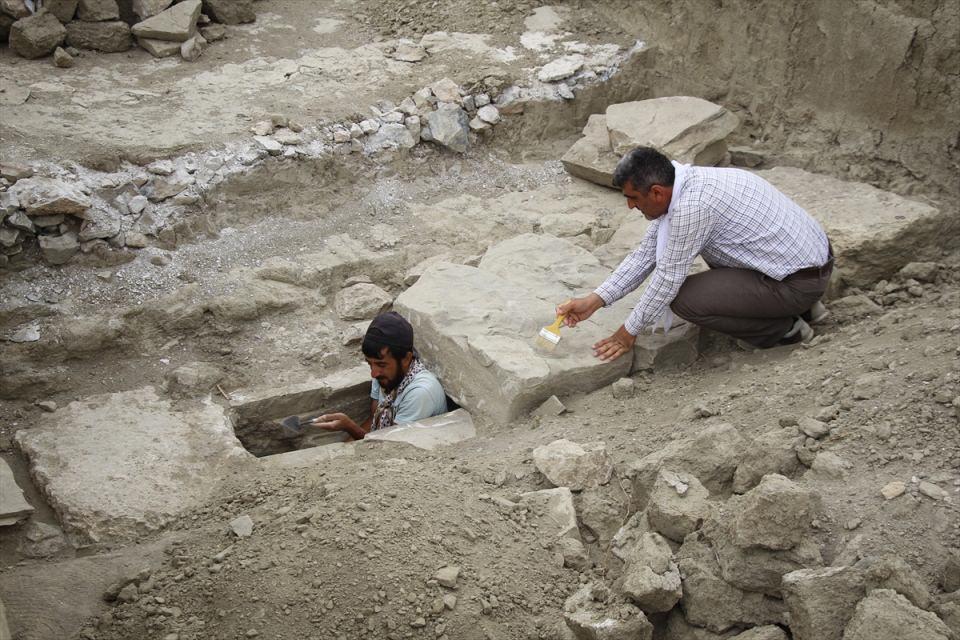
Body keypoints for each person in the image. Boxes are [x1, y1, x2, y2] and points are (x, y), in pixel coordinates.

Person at [558, 146, 833, 360]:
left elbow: (667, 279)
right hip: (810, 262)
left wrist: (627, 332)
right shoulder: (687, 181)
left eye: (633, 197)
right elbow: (646, 255)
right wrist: (594, 301)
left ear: (655, 192)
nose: (630, 206)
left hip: (798, 281)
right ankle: (808, 308)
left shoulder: (691, 209)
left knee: (684, 299)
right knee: (718, 253)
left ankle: (786, 330)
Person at [310, 311, 447, 439]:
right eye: (370, 364)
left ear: (406, 359)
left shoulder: (419, 393)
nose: (373, 373)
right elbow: (373, 421)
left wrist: (349, 427)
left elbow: (390, 446)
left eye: (381, 364)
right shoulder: (385, 375)